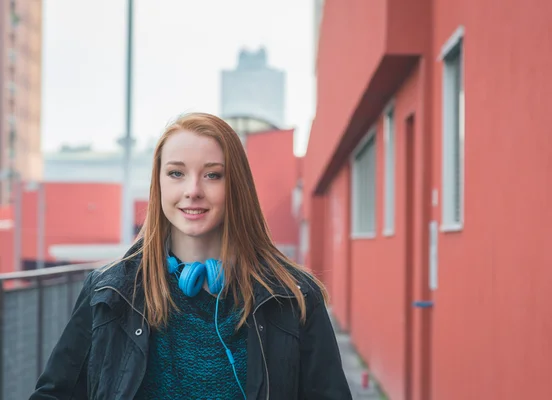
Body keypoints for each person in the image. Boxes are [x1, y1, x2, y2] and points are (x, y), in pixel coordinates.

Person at [29, 112, 352, 399]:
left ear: (237, 186)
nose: (193, 190)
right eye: (176, 173)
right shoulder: (109, 291)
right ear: (159, 184)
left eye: (213, 174)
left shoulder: (293, 296)